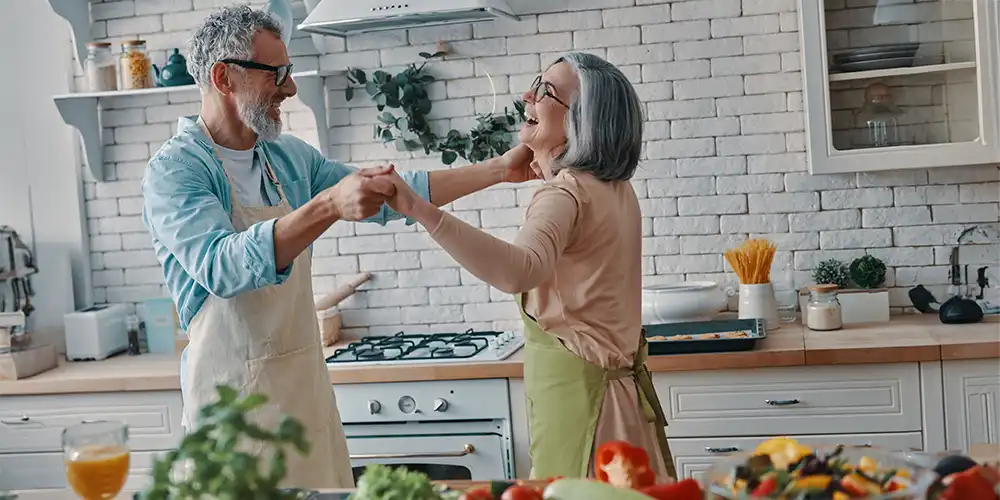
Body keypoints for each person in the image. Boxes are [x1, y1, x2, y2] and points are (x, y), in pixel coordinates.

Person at [140, 5, 534, 489]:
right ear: (224, 77)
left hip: (304, 399)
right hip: (230, 420)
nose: (290, 88)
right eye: (277, 73)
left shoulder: (286, 157)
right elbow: (221, 266)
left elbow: (393, 194)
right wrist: (326, 206)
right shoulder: (176, 170)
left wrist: (498, 170)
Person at [379, 52, 676, 482]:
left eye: (546, 92)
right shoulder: (615, 189)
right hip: (616, 400)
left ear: (582, 120)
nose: (527, 96)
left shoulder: (566, 194)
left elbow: (520, 270)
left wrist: (419, 209)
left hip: (585, 411)